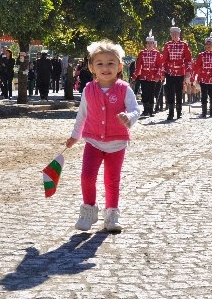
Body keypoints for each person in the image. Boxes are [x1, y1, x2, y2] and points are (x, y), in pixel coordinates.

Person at [65, 40, 140, 232]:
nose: (105, 68)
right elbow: (82, 114)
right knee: (87, 176)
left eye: (110, 63)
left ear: (119, 66)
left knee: (112, 180)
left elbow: (135, 109)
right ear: (92, 67)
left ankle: (112, 215)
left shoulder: (124, 88)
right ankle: (89, 211)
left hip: (117, 143)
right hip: (93, 142)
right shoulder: (88, 89)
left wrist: (128, 117)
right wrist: (75, 136)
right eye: (100, 63)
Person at [162, 26, 193, 120]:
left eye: (176, 34)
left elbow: (188, 60)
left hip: (180, 72)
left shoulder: (184, 45)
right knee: (170, 92)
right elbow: (164, 60)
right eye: (173, 34)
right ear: (171, 35)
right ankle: (171, 112)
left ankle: (179, 112)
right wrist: (162, 73)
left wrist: (188, 72)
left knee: (179, 92)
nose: (175, 35)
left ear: (179, 35)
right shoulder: (167, 45)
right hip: (170, 72)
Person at [132, 32, 163, 117]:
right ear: (146, 44)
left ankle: (151, 110)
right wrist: (135, 76)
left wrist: (158, 76)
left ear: (153, 44)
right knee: (144, 93)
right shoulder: (142, 53)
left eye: (151, 43)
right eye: (148, 43)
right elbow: (138, 66)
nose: (149, 45)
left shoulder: (157, 53)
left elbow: (160, 66)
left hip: (153, 76)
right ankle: (145, 110)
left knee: (151, 93)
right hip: (143, 76)